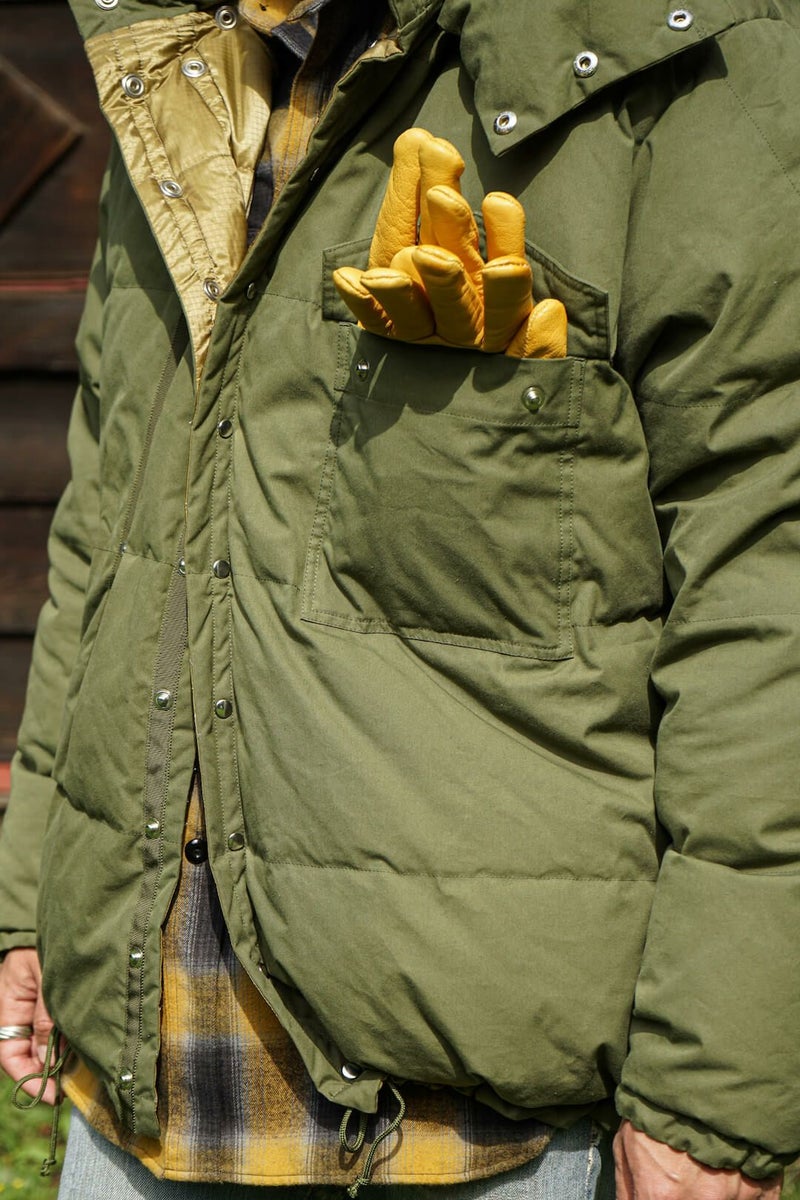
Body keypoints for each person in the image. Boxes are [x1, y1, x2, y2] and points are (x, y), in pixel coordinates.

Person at [0, 0, 797, 1197]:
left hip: (480, 1123)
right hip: (141, 1078)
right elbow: (112, 513)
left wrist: (713, 1092)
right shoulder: (176, 55)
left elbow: (765, 581)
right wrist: (34, 899)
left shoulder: (670, 61)